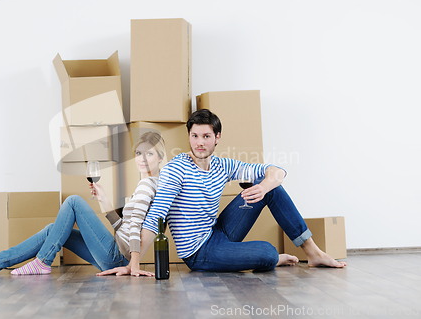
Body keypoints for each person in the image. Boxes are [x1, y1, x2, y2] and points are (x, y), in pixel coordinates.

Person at [101, 109, 346, 275]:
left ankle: (313, 253)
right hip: (198, 251)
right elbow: (154, 217)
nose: (199, 142)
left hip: (217, 231)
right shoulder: (176, 170)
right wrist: (133, 264)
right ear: (189, 136)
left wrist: (263, 186)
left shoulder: (224, 165)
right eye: (195, 136)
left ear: (217, 138)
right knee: (269, 253)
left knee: (270, 186)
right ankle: (266, 258)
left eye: (206, 136)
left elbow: (277, 171)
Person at [0, 131, 166, 276]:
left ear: (160, 156)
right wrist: (105, 202)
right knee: (54, 229)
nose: (142, 159)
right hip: (117, 256)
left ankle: (42, 261)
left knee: (74, 201)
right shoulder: (152, 183)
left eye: (149, 153)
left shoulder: (147, 185)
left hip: (118, 256)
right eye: (139, 153)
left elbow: (136, 227)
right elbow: (125, 228)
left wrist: (133, 265)